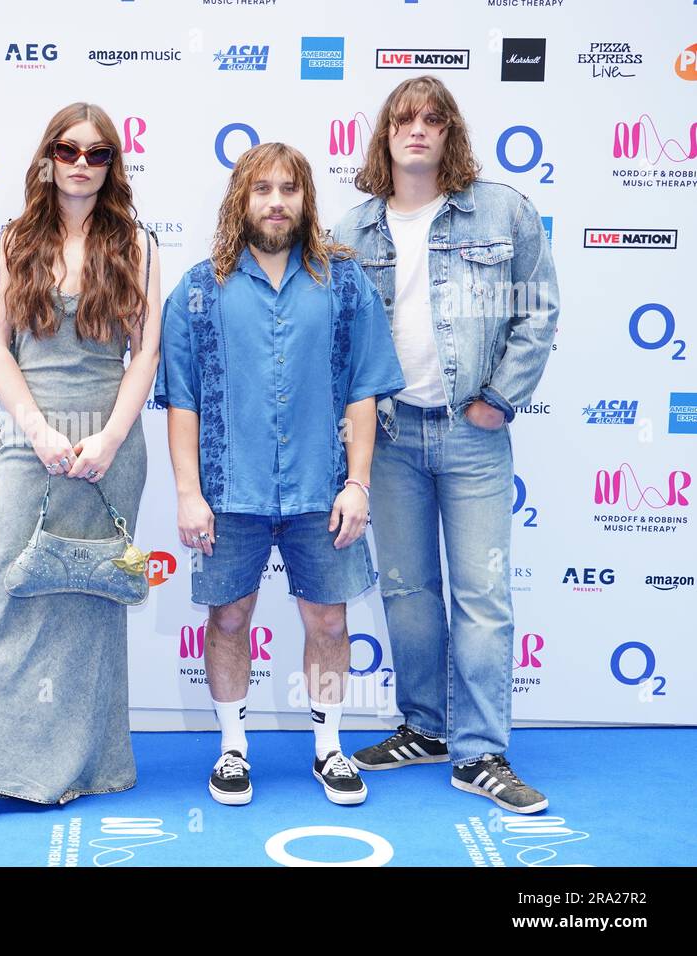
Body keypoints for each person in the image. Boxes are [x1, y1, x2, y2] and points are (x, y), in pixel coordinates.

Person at [331, 76, 559, 813]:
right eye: (405, 119)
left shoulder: (502, 211)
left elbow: (538, 308)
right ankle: (426, 727)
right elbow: (340, 341)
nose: (418, 130)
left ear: (450, 132)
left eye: (433, 119)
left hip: (471, 433)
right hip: (390, 437)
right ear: (386, 136)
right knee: (406, 593)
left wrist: (500, 398)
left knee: (483, 596)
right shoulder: (355, 229)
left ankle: (481, 752)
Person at [0, 102, 161, 834]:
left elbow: (145, 355)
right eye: (69, 150)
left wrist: (107, 440)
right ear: (48, 157)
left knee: (90, 603)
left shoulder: (139, 244)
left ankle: (83, 765)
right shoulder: (13, 242)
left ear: (112, 166)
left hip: (111, 447)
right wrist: (35, 432)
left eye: (98, 155)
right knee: (10, 593)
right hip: (30, 443)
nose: (82, 164)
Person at [157, 143, 404, 807]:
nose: (275, 201)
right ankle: (233, 749)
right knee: (229, 621)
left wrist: (357, 484)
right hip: (229, 491)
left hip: (320, 491)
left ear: (304, 200)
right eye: (261, 188)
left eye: (287, 189)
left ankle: (329, 749)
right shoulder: (198, 289)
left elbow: (363, 393)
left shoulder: (344, 284)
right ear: (241, 199)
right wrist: (188, 494)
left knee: (328, 624)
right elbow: (183, 401)